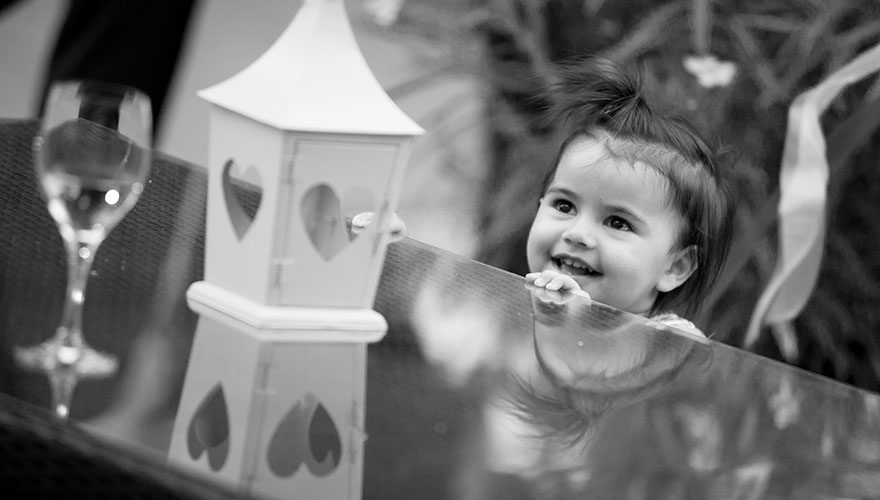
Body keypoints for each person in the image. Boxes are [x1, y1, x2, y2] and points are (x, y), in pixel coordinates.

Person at [524, 57, 734, 336]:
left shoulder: (669, 341)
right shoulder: (507, 302)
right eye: (564, 205)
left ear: (675, 267)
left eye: (618, 223)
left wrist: (573, 324)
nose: (577, 234)